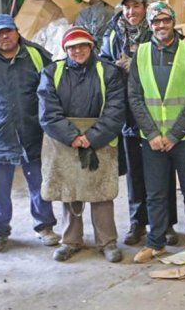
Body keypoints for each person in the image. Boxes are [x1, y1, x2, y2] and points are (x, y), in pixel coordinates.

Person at [0, 14, 59, 253]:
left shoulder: (36, 56)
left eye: (8, 31)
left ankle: (44, 226)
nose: (4, 36)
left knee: (39, 184)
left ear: (17, 31)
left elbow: (52, 90)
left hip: (33, 132)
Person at [127, 1, 185, 266]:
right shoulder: (140, 54)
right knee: (155, 194)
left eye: (165, 20)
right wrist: (151, 133)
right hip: (152, 140)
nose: (161, 26)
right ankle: (156, 243)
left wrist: (174, 134)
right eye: (155, 22)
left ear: (174, 22)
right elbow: (135, 97)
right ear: (149, 25)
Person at [38, 27, 126, 263]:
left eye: (82, 46)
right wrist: (73, 137)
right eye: (72, 47)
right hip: (63, 140)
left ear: (91, 47)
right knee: (69, 191)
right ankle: (71, 240)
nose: (78, 51)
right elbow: (48, 113)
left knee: (101, 192)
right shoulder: (51, 72)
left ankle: (107, 242)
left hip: (101, 139)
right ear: (65, 50)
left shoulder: (109, 72)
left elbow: (116, 111)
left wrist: (92, 137)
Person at [99, 0, 178, 247]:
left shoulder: (157, 30)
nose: (131, 12)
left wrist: (135, 65)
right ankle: (138, 222)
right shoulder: (112, 34)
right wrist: (116, 68)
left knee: (162, 169)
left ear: (146, 7)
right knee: (135, 172)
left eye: (136, 6)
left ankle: (166, 224)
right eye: (127, 7)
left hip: (157, 111)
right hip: (127, 112)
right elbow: (102, 64)